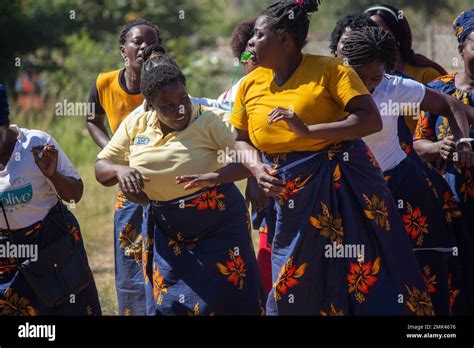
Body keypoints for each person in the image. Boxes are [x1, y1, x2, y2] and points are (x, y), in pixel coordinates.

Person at [226, 0, 430, 315]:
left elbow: (369, 119)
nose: (251, 42)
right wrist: (256, 168)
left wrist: (308, 131)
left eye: (259, 34)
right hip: (286, 193)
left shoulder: (329, 70)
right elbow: (239, 139)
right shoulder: (249, 85)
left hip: (343, 186)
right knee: (293, 277)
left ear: (284, 39)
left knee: (365, 269)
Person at [95, 45, 265, 315]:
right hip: (167, 229)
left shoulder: (211, 120)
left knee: (229, 300)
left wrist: (214, 177)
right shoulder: (135, 125)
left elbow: (250, 159)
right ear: (150, 105)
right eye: (168, 106)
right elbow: (101, 166)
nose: (180, 110)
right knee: (171, 305)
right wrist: (120, 171)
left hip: (218, 224)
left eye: (183, 99)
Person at [341, 26, 474, 314]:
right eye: (359, 76)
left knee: (421, 272)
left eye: (374, 76)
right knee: (363, 275)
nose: (367, 84)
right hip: (352, 194)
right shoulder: (329, 89)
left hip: (401, 189)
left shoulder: (392, 87)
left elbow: (450, 105)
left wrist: (462, 143)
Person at [0, 84, 101, 315]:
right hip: (6, 255)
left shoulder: (35, 145)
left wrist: (53, 174)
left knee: (68, 306)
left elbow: (75, 194)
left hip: (52, 243)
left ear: (5, 124)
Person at [86, 19, 161, 316]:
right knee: (129, 253)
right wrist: (112, 152)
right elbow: (92, 119)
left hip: (162, 179)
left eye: (151, 42)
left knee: (163, 252)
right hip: (127, 182)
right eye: (137, 42)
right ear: (123, 50)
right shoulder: (105, 83)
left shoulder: (165, 83)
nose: (144, 47)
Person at [413, 9, 474, 313]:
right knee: (455, 274)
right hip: (449, 202)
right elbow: (417, 145)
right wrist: (439, 147)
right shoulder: (440, 90)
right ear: (461, 48)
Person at [365, 4, 448, 135]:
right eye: (368, 32)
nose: (374, 38)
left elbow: (445, 117)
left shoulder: (426, 75)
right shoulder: (362, 79)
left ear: (396, 36)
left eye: (381, 32)